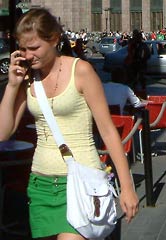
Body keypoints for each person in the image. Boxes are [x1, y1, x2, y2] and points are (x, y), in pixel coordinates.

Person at [0, 8, 138, 239]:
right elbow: (4, 132)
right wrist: (12, 86)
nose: (28, 55)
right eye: (23, 49)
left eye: (34, 48)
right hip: (41, 184)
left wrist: (127, 187)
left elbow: (108, 131)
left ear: (53, 40)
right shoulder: (27, 78)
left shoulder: (81, 71)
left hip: (80, 184)